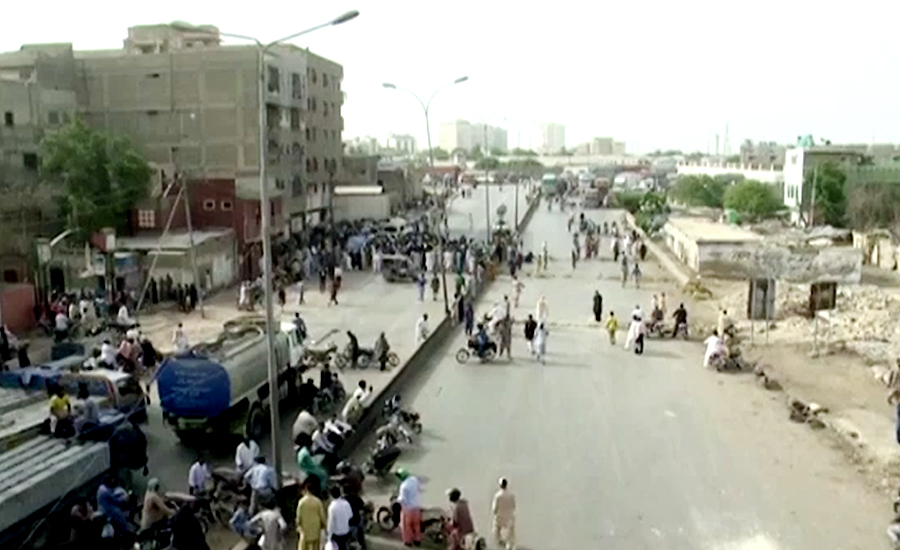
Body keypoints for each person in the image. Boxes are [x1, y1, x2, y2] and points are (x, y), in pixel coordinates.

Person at [296, 481, 327, 550]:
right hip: (316, 529)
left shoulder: (301, 502)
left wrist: (298, 526)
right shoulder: (318, 501)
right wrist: (324, 526)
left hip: (305, 530)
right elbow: (322, 516)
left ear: (306, 489)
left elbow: (298, 517)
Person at [396, 468, 422, 547]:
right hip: (416, 506)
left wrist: (397, 500)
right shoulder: (414, 480)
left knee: (406, 525)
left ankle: (408, 541)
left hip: (408, 508)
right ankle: (417, 540)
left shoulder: (403, 486)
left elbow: (403, 499)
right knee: (416, 524)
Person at [492, 478, 516, 550]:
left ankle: (499, 540)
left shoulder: (498, 496)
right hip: (509, 515)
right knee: (511, 531)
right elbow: (513, 505)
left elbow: (494, 508)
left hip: (500, 516)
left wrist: (495, 513)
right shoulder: (511, 495)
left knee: (497, 528)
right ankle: (509, 544)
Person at [327, 485, 353, 550]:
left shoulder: (332, 507)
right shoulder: (346, 503)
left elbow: (331, 523)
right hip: (346, 531)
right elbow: (350, 515)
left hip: (337, 534)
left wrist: (329, 535)